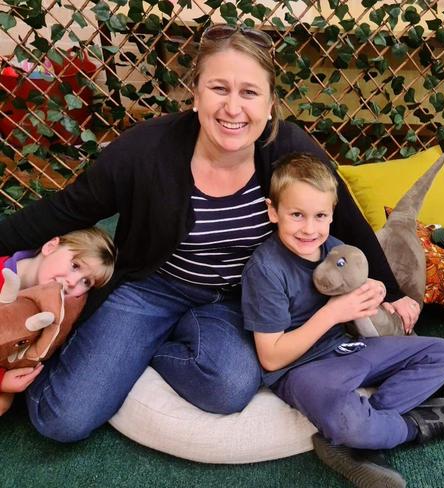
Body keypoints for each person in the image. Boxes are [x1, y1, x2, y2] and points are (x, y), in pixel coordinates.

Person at [0, 24, 416, 442]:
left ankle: (140, 354)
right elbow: (68, 208)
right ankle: (108, 351)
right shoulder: (144, 151)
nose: (233, 108)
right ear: (196, 94)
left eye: (249, 93)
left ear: (270, 104)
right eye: (219, 88)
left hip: (237, 297)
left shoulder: (289, 149)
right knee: (61, 420)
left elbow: (343, 217)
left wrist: (393, 291)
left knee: (230, 387)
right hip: (151, 288)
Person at [241, 153, 444, 488]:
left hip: (348, 349)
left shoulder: (333, 247)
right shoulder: (265, 270)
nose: (309, 228)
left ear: (331, 214)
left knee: (443, 354)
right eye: (296, 215)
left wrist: (376, 289)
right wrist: (333, 313)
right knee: (348, 419)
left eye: (320, 216)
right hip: (303, 370)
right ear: (273, 211)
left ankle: (366, 432)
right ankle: (411, 428)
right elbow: (271, 356)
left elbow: (360, 282)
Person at [0, 227, 116, 415]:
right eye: (75, 266)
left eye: (86, 282)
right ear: (50, 246)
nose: (73, 283)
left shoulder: (55, 308)